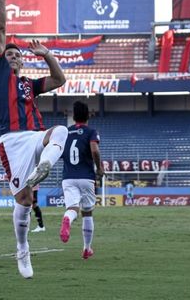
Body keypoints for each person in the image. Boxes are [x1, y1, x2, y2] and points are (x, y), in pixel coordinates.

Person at [0, 0, 67, 279]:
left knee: (60, 131)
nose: (12, 56)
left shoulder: (28, 85)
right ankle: (22, 248)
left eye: (16, 54)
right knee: (24, 200)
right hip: (11, 141)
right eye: (8, 54)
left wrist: (46, 54)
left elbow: (60, 80)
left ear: (22, 61)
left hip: (35, 137)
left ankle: (43, 168)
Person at [60, 101, 104, 260]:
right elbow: (94, 149)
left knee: (72, 208)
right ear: (88, 116)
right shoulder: (91, 132)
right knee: (87, 212)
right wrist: (99, 167)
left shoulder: (65, 133)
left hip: (68, 177)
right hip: (86, 176)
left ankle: (67, 219)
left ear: (73, 116)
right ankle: (86, 248)